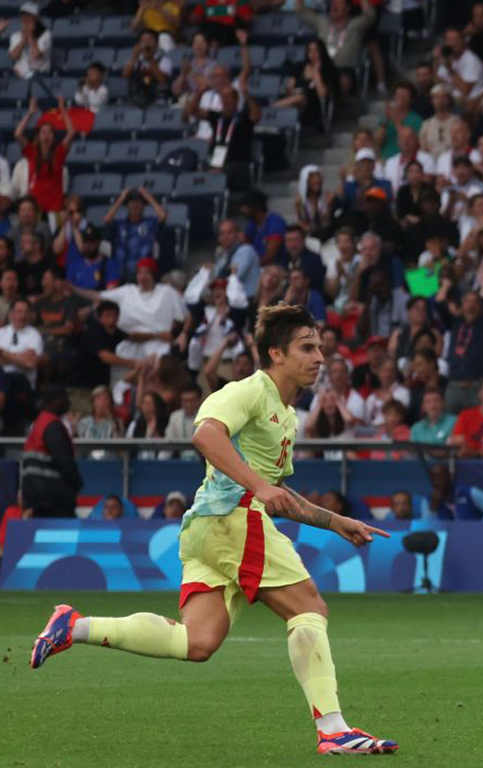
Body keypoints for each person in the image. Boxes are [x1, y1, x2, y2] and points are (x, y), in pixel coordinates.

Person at [28, 305, 399, 756]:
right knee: (308, 607)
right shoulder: (250, 390)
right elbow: (206, 436)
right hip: (234, 519)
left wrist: (335, 521)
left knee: (197, 641)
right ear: (275, 353)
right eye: (307, 347)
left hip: (209, 527)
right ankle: (334, 729)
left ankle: (75, 626)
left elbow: (278, 491)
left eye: (319, 346)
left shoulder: (286, 414)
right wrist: (258, 485)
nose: (319, 356)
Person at [19, 387, 80, 517]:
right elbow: (65, 463)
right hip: (54, 502)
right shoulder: (51, 425)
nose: (68, 402)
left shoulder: (37, 425)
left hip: (37, 499)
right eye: (66, 399)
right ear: (56, 401)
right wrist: (77, 483)